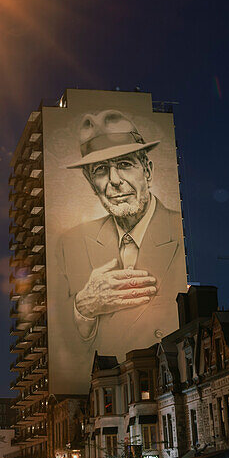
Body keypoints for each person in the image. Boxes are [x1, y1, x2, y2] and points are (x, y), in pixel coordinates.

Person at [50, 110, 185, 385]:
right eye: (101, 170)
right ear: (91, 183)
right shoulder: (68, 243)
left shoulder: (180, 233)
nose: (114, 180)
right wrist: (83, 308)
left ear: (147, 170)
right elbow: (66, 347)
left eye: (124, 164)